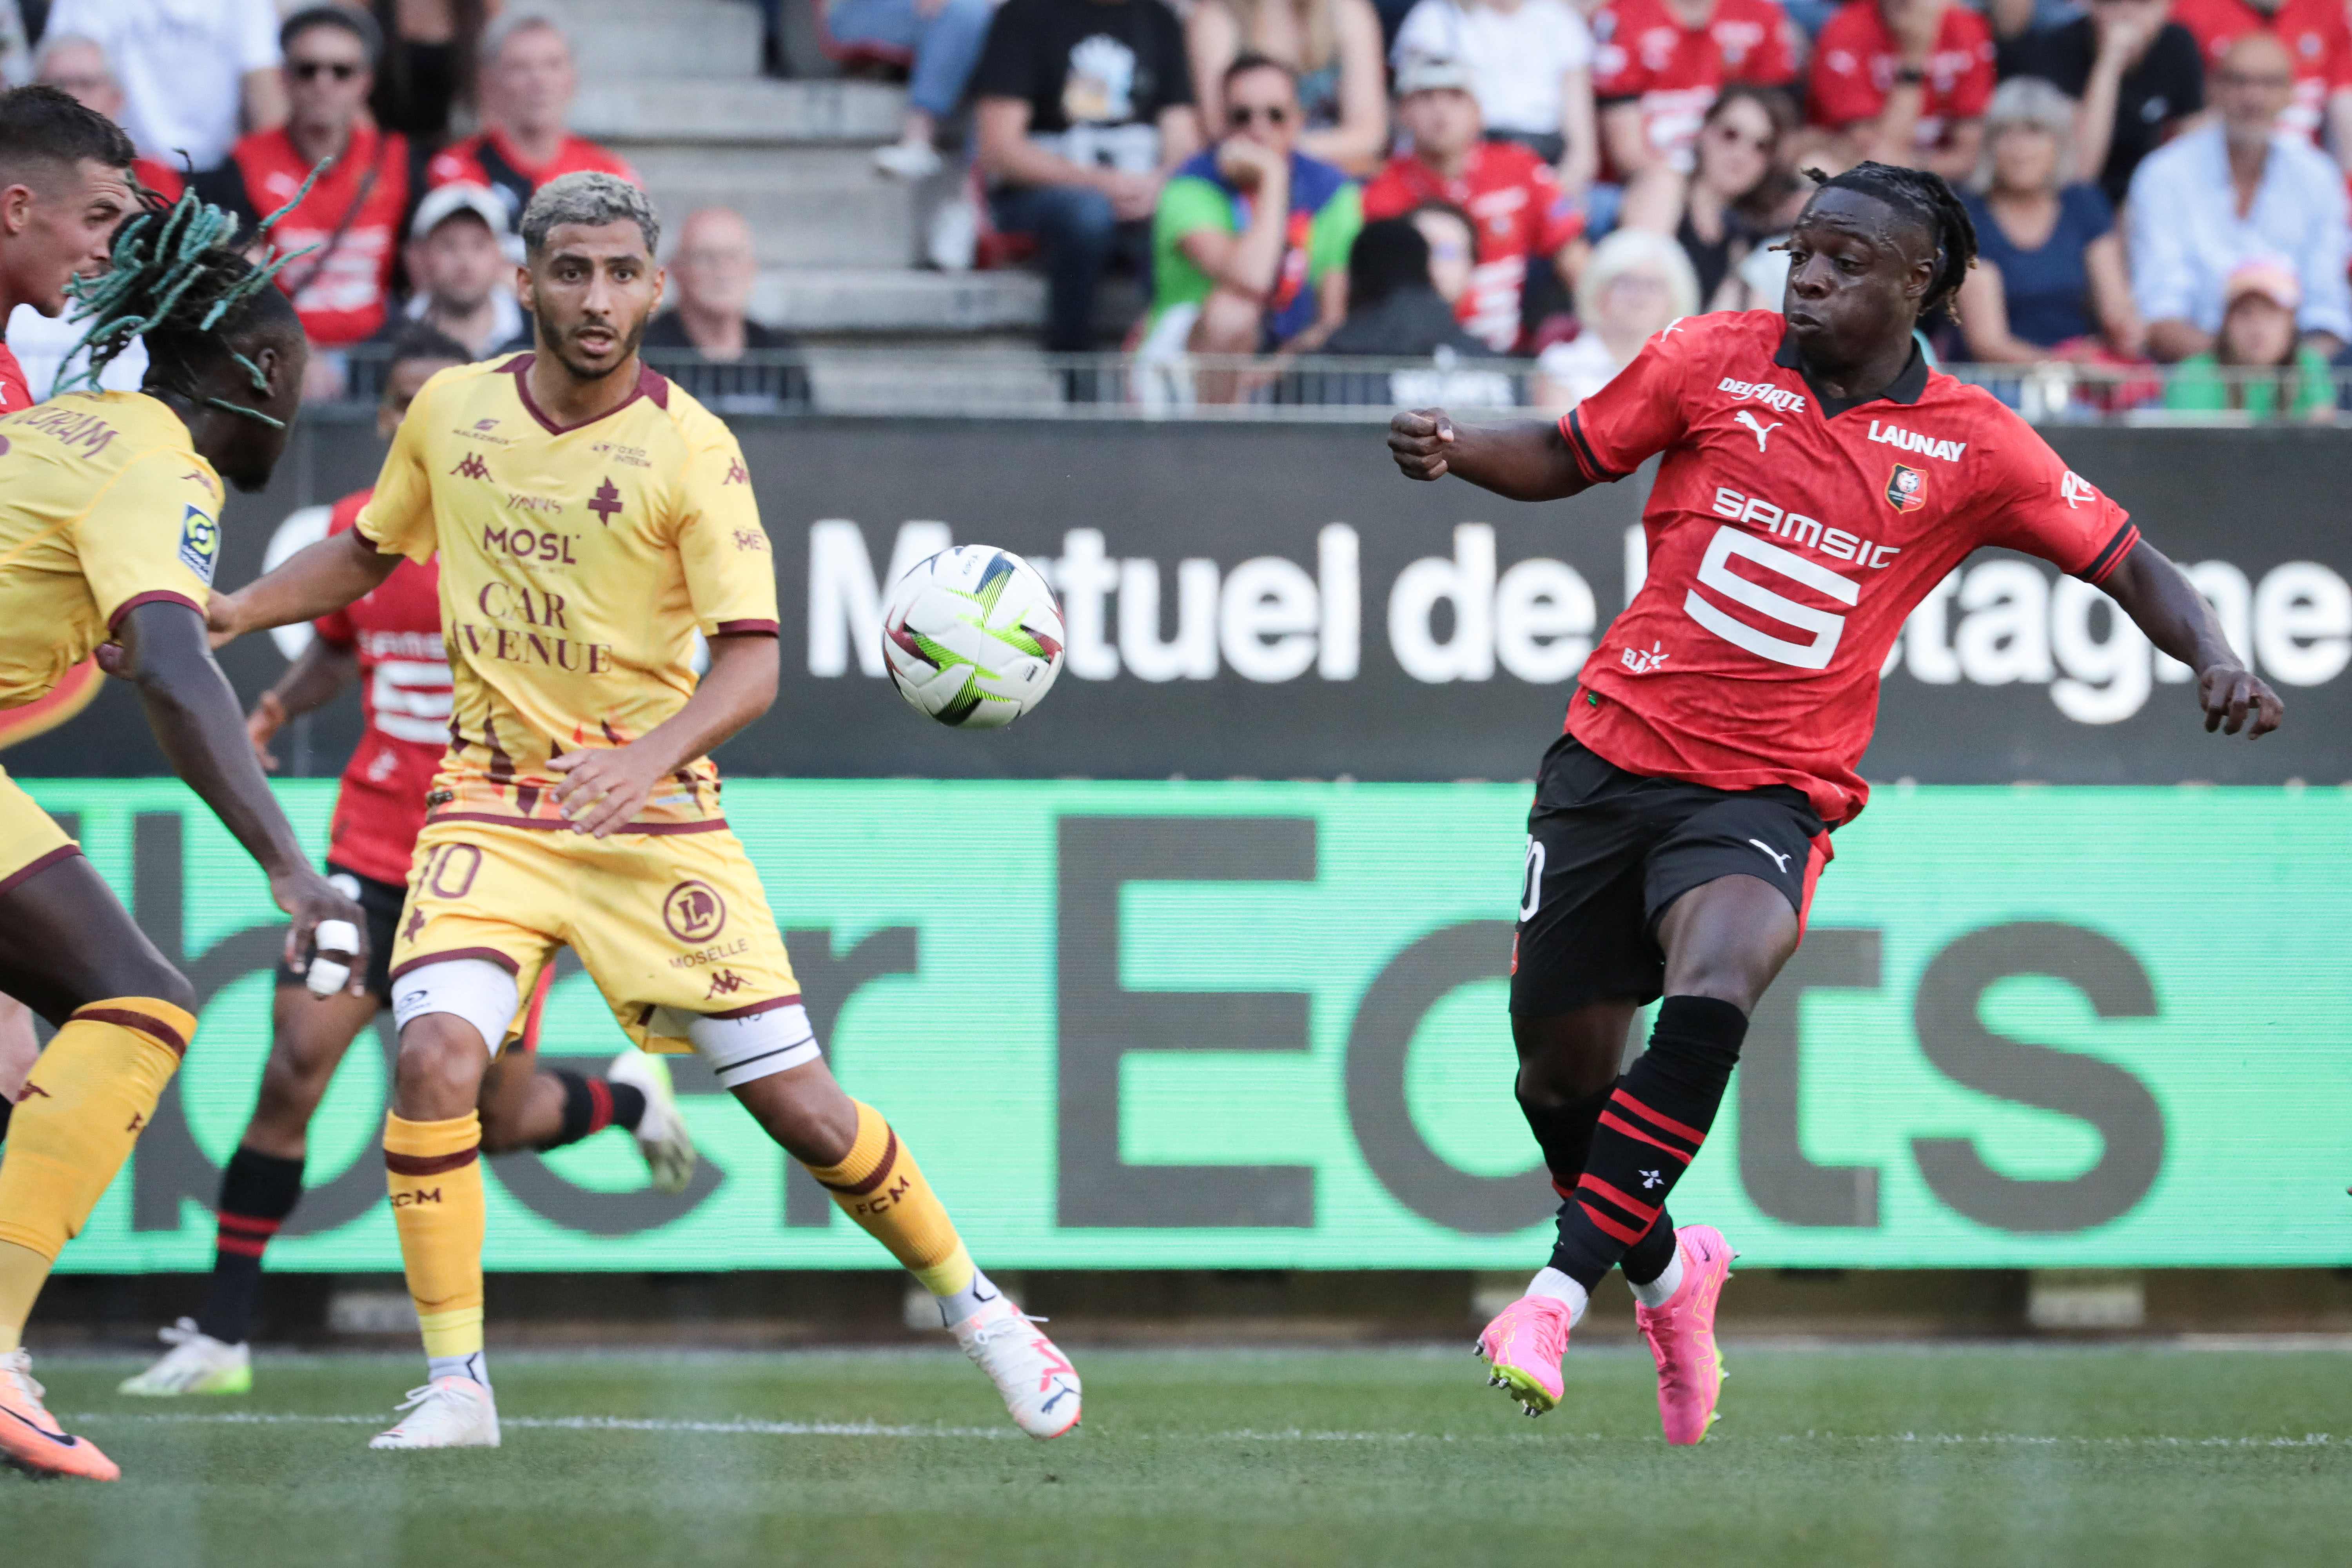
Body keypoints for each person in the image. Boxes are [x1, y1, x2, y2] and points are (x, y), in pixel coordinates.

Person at [1385, 160, 2281, 1443]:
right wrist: (1458, 449)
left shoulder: (1974, 445)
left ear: (1918, 288)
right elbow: (1571, 454)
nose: (1809, 274)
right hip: (1605, 765)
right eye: (1802, 251)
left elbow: (2133, 563)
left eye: (1845, 260)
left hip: (1769, 793)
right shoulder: (1706, 358)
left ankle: (1552, 1296)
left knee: (1719, 979)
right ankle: (1666, 1275)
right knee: (1558, 1086)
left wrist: (2220, 657)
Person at [205, 172, 1081, 1451]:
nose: (598, 298)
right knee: (437, 1059)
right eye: (572, 272)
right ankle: (459, 1386)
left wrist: (645, 757)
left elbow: (754, 663)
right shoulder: (451, 412)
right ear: (526, 283)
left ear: (657, 288)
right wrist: (236, 608)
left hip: (656, 818)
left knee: (804, 1111)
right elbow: (369, 551)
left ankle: (982, 1310)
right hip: (490, 805)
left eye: (622, 274)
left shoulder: (694, 450)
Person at [118, 326, 699, 1399]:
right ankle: (218, 1335)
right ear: (390, 424)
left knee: (493, 1118)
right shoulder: (358, 535)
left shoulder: (535, 533)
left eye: (434, 403)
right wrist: (282, 703)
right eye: (396, 406)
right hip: (375, 854)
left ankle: (624, 1099)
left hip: (498, 864)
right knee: (294, 1064)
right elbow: (344, 642)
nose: (412, 423)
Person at [0, 178, 371, 1481]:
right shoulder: (166, 464)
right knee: (142, 1006)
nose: (307, 396)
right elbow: (172, 663)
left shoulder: (79, 426)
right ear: (261, 364)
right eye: (302, 368)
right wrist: (291, 864)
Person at [0, 85, 146, 1170]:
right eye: (99, 217)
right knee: (128, 996)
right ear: (18, 207)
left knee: (110, 1001)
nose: (111, 248)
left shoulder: (15, 372)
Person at [192, 5, 412, 394]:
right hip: (280, 354)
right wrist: (292, 349)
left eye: (341, 71)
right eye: (307, 70)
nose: (323, 83)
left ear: (365, 83)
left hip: (380, 348)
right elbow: (241, 275)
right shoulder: (244, 163)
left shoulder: (398, 159)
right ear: (284, 80)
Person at [972, 0, 1203, 354]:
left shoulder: (1159, 19)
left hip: (1138, 190)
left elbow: (1183, 139)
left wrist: (1159, 185)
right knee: (1088, 214)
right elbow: (1000, 150)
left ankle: (1170, 359)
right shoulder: (1024, 14)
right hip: (1038, 196)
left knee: (1187, 208)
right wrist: (1100, 182)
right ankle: (1073, 369)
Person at [2127, 31, 2351, 362]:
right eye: (2238, 81)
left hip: (2298, 371)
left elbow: (2327, 307)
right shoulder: (2164, 173)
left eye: (2269, 83)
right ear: (2212, 89)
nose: (2253, 97)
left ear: (2291, 94)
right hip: (2191, 368)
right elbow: (2160, 309)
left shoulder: (2318, 176)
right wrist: (2236, 368)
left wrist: (2287, 370)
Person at [1142, 54, 1359, 371]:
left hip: (1291, 365)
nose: (1259, 128)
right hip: (1183, 367)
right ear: (1223, 121)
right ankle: (1220, 424)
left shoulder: (1332, 192)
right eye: (1242, 116)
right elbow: (1252, 280)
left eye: (1275, 115)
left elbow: (1334, 318)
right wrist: (1273, 178)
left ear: (1298, 119)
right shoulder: (1188, 187)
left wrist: (1283, 367)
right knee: (1233, 313)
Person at [1362, 53, 1584, 352]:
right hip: (1419, 355)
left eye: (1455, 96)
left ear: (1478, 110)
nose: (1441, 110)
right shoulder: (1381, 194)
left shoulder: (1520, 168)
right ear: (1403, 112)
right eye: (1426, 98)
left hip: (1509, 355)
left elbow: (1575, 259)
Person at [1953, 76, 2141, 361]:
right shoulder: (1967, 217)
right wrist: (2067, 367)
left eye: (2034, 132)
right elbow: (1988, 342)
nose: (2019, 149)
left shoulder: (2083, 202)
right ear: (1989, 146)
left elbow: (2115, 301)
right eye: (2005, 134)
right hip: (1996, 383)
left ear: (2059, 143)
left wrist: (2125, 329)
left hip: (2080, 375)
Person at [425, 12, 639, 235]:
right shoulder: (456, 169)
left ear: (573, 79)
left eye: (553, 65)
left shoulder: (611, 177)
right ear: (488, 81)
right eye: (520, 67)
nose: (539, 81)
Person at [1997, 0, 2206, 210]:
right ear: (2092, 7)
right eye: (2112, 2)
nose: (2127, 14)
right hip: (2075, 199)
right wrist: (2109, 62)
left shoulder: (2178, 44)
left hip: (2148, 190)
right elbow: (2082, 171)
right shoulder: (2061, 47)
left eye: (2143, 3)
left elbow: (2194, 143)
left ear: (2165, 8)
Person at [40, 0, 286, 175]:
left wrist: (271, 175)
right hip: (122, 166)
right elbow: (65, 71)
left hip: (218, 166)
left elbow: (262, 83)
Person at [1588, 0, 1800, 194]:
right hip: (1646, 185)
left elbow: (1775, 128)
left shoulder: (1759, 13)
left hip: (1734, 185)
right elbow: (1629, 154)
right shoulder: (1624, 14)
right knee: (1663, 187)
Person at [1392, 0, 1599, 194]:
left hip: (1546, 167)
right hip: (1464, 169)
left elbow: (1582, 155)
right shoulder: (1438, 19)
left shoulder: (1560, 19)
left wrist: (1544, 200)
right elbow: (1415, 124)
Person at [1618, 83, 1793, 308]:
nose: (1741, 154)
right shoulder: (1665, 185)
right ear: (1703, 132)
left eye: (1761, 146)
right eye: (1730, 135)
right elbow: (1632, 289)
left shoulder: (1738, 240)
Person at [1187, 0, 1389, 173]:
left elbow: (1370, 137)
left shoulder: (1346, 11)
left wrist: (1276, 149)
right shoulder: (1216, 16)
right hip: (1245, 189)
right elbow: (1221, 133)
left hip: (1339, 184)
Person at [1807, 0, 1996, 182]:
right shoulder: (1845, 29)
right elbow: (1878, 159)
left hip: (1942, 182)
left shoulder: (1967, 27)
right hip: (1858, 181)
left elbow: (1967, 158)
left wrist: (1914, 165)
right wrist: (1914, 59)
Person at [825, 0, 1007, 180]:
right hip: (860, 11)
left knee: (1001, 14)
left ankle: (989, 166)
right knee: (966, 11)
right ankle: (918, 139)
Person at [642, 206, 800, 408]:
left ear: (752, 268)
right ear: (675, 270)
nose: (722, 271)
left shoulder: (781, 355)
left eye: (733, 257)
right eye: (705, 257)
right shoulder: (645, 356)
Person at [2170, 0, 2352, 171]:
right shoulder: (2191, 11)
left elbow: (2345, 116)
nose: (2256, 98)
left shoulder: (2327, 9)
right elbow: (2186, 122)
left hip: (2302, 175)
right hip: (2215, 170)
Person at [1532, 223, 1697, 409]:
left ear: (1674, 299)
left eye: (1654, 285)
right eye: (1626, 282)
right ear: (1599, 291)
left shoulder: (1690, 372)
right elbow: (1561, 435)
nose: (1640, 296)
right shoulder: (1561, 364)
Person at [2162, 258, 2337, 420]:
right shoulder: (2194, 375)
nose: (2257, 327)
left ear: (2291, 322)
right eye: (2245, 313)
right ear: (2226, 323)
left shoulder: (2309, 365)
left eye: (2270, 313)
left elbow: (2321, 439)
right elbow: (2192, 447)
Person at [32, 34, 190, 202]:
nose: (71, 95)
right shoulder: (14, 173)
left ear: (116, 99)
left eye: (86, 84)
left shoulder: (153, 178)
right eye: (57, 85)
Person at [1325, 208, 1498, 354]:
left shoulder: (1488, 362)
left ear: (1473, 266)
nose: (1432, 263)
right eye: (1422, 250)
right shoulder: (1342, 354)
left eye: (1447, 252)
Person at [386, 183, 524, 360]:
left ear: (500, 254)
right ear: (420, 256)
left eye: (479, 245)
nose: (465, 262)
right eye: (448, 246)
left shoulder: (540, 333)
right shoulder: (389, 340)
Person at [363, 0, 496, 145]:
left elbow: (493, 87)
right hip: (376, 140)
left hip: (452, 142)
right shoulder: (365, 6)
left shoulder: (483, 9)